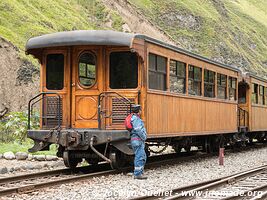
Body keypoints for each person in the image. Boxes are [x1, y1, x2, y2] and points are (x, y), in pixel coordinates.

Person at [130, 104, 147, 180]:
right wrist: (144, 137)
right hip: (138, 140)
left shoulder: (134, 118)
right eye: (140, 110)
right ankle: (137, 174)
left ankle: (140, 171)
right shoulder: (136, 119)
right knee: (139, 156)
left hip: (136, 140)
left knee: (142, 156)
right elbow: (138, 130)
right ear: (139, 111)